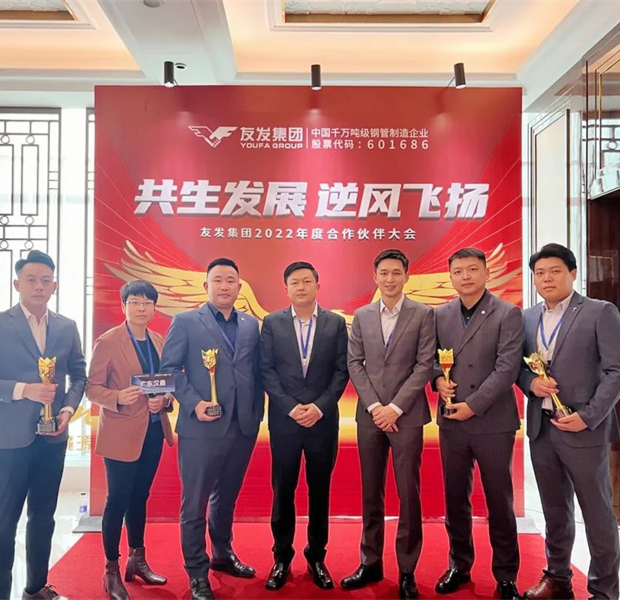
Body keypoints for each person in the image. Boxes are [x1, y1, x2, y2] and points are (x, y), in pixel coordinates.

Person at [0, 249, 86, 600]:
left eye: (46, 280)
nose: (39, 286)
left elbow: (79, 375)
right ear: (17, 284)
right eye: (31, 279)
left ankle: (35, 589)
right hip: (10, 439)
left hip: (53, 437)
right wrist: (22, 390)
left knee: (44, 518)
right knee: (4, 522)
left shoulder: (66, 327)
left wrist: (68, 410)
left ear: (54, 286)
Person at [517, 243, 620, 600]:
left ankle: (603, 591)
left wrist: (589, 416)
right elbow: (518, 367)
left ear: (572, 273)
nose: (547, 278)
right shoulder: (527, 318)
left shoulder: (599, 312)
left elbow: (619, 370)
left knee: (596, 513)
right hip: (542, 428)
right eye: (540, 273)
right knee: (554, 510)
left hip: (584, 430)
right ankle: (558, 580)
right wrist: (530, 383)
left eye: (555, 271)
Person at [160, 257, 264, 600]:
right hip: (201, 427)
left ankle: (222, 553)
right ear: (206, 286)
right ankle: (197, 572)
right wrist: (193, 404)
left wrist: (256, 413)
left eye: (230, 280)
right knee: (195, 502)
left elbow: (255, 371)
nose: (224, 286)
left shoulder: (250, 324)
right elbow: (169, 370)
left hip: (242, 426)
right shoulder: (186, 321)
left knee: (226, 497)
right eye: (217, 280)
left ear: (239, 286)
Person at [342, 249, 435, 600]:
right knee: (371, 492)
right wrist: (375, 407)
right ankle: (370, 562)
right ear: (375, 276)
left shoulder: (424, 314)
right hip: (369, 416)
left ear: (406, 276)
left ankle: (407, 570)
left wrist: (394, 408)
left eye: (396, 272)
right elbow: (355, 363)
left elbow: (425, 365)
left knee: (408, 493)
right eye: (384, 273)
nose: (390, 279)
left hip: (406, 416)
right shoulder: (362, 316)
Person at [431, 248, 523, 599]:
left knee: (499, 501)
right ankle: (459, 564)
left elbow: (507, 368)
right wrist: (436, 381)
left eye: (472, 269)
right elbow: (429, 358)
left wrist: (474, 405)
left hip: (493, 421)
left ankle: (506, 575)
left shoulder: (507, 313)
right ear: (450, 276)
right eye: (458, 271)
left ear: (486, 273)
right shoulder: (440, 314)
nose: (465, 276)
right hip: (452, 421)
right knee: (455, 498)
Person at [260, 261, 349, 592]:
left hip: (322, 422)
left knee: (319, 490)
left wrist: (319, 407)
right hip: (285, 421)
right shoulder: (272, 323)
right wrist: (291, 407)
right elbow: (266, 370)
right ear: (286, 288)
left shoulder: (335, 323)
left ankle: (316, 556)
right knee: (283, 489)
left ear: (317, 286)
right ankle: (281, 557)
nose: (301, 287)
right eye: (294, 282)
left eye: (306, 281)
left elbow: (341, 370)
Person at [87, 280, 175, 600]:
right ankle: (111, 569)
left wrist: (164, 400)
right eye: (135, 302)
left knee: (140, 497)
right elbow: (92, 387)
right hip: (121, 431)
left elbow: (167, 384)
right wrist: (117, 397)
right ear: (123, 305)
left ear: (154, 308)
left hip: (153, 429)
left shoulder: (158, 340)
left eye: (147, 303)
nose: (141, 308)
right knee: (118, 500)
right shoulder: (109, 341)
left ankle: (138, 560)